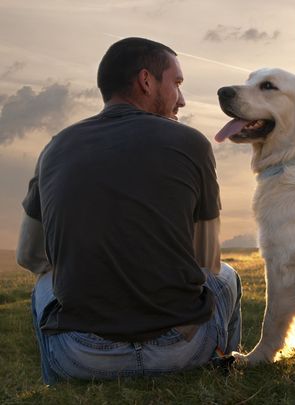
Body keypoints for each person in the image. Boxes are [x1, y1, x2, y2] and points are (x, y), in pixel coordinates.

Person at [16, 37, 242, 385]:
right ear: (146, 81)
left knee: (46, 282)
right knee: (226, 276)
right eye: (177, 84)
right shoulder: (191, 142)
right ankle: (221, 365)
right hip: (181, 351)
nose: (181, 99)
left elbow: (29, 255)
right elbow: (206, 260)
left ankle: (58, 384)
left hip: (83, 358)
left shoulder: (55, 147)